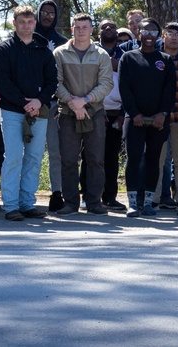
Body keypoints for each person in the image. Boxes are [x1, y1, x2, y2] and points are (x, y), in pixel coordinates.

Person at [0, 5, 58, 221]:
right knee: (13, 157)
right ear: (14, 23)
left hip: (39, 110)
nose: (26, 26)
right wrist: (23, 103)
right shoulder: (3, 49)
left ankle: (27, 203)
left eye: (30, 22)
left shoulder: (43, 50)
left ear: (35, 23)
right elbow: (2, 82)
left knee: (34, 158)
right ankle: (10, 206)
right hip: (12, 111)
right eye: (22, 22)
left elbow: (52, 81)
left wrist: (39, 101)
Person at [53, 13, 114, 216]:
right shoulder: (60, 53)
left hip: (94, 112)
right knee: (68, 159)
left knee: (95, 159)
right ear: (72, 29)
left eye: (85, 27)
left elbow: (106, 84)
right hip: (67, 113)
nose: (81, 30)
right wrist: (73, 102)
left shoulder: (101, 55)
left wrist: (85, 101)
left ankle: (94, 201)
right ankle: (70, 202)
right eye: (77, 27)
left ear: (91, 30)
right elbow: (56, 82)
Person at [118, 18, 175, 216]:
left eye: (153, 32)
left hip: (158, 120)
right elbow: (124, 89)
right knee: (133, 159)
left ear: (159, 35)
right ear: (138, 34)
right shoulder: (128, 58)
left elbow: (169, 91)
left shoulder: (165, 60)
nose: (149, 35)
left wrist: (163, 114)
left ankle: (149, 202)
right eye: (145, 31)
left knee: (153, 160)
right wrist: (134, 114)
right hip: (134, 119)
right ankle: (133, 203)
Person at [35, 0, 69, 212]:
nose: (48, 16)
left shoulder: (63, 42)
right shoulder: (28, 38)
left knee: (56, 151)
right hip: (28, 104)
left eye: (51, 13)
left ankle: (57, 192)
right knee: (30, 153)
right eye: (44, 12)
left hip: (55, 104)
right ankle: (22, 194)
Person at [155, 21, 178, 209]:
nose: (174, 36)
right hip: (159, 118)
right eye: (170, 33)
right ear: (163, 36)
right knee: (158, 160)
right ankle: (155, 197)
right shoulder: (156, 58)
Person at [97, 19, 126, 210]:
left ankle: (109, 197)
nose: (108, 29)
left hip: (117, 114)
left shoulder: (126, 56)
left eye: (112, 27)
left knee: (111, 157)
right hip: (94, 110)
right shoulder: (92, 53)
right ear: (98, 32)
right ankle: (88, 195)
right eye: (104, 27)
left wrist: (124, 113)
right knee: (90, 156)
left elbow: (131, 87)